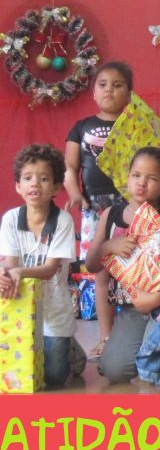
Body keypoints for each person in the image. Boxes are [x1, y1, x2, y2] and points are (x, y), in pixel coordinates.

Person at [85, 147, 160, 384]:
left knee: (158, 365)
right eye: (136, 175)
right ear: (127, 177)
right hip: (131, 309)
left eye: (151, 178)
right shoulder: (111, 215)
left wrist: (155, 299)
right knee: (114, 370)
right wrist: (107, 247)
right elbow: (91, 265)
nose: (141, 183)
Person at [0, 144, 86, 388]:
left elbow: (49, 270)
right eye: (27, 178)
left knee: (53, 377)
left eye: (44, 178)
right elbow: (10, 265)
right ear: (18, 186)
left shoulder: (63, 221)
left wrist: (18, 271)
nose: (35, 184)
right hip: (21, 306)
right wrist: (5, 273)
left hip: (54, 310)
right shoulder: (10, 219)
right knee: (21, 372)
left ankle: (72, 350)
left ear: (57, 187)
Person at [64, 61, 132, 360]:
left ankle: (136, 336)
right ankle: (105, 337)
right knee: (101, 273)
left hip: (130, 209)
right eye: (103, 85)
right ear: (93, 91)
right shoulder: (81, 127)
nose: (109, 90)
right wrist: (75, 194)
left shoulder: (136, 124)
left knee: (133, 270)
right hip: (95, 210)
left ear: (129, 93)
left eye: (117, 85)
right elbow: (70, 166)